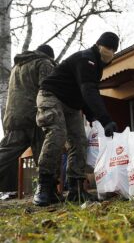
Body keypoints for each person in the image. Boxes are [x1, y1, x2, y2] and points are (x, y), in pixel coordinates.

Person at [34, 32, 119, 206]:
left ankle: (76, 189)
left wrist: (92, 116)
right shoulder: (86, 58)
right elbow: (88, 90)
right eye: (107, 47)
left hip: (72, 105)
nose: (109, 51)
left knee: (80, 142)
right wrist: (105, 119)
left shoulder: (97, 66)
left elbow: (84, 92)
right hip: (51, 95)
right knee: (57, 134)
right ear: (98, 44)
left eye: (113, 49)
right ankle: (45, 186)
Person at [0, 45, 56, 193]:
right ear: (50, 57)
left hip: (13, 117)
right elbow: (48, 90)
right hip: (34, 117)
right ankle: (48, 191)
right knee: (44, 153)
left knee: (5, 153)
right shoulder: (43, 63)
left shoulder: (17, 66)